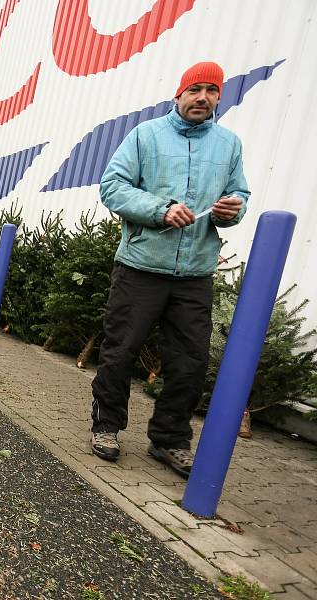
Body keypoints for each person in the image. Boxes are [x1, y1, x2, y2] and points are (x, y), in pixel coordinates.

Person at [90, 61, 250, 478]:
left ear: (219, 97)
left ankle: (169, 440)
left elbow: (239, 194)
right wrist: (160, 210)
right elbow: (113, 187)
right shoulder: (145, 136)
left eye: (211, 90)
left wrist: (234, 209)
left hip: (194, 273)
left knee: (191, 362)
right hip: (141, 266)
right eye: (194, 89)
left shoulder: (229, 144)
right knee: (120, 352)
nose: (202, 97)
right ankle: (107, 426)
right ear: (178, 95)